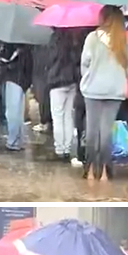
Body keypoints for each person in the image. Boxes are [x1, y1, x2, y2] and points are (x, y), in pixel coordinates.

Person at [79, 5, 128, 182]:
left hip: (93, 90)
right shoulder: (123, 40)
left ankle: (90, 170)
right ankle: (105, 173)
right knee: (106, 132)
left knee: (92, 131)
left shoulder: (92, 38)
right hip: (115, 91)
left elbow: (85, 63)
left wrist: (88, 77)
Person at [43, 28, 88, 162]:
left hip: (56, 82)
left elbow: (49, 60)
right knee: (68, 115)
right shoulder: (75, 39)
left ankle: (59, 149)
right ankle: (67, 148)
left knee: (57, 116)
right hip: (72, 81)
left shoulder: (54, 40)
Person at [1, 42, 33, 152]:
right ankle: (18, 140)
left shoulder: (11, 44)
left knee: (12, 112)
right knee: (19, 111)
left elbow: (5, 59)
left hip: (13, 77)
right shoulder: (28, 44)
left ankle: (13, 141)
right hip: (23, 80)